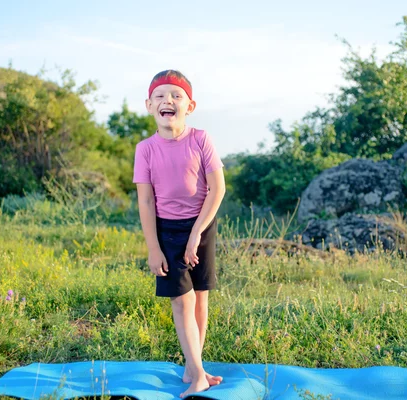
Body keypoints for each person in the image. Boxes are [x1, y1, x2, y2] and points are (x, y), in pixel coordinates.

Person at [132, 70, 226, 398]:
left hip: (202, 225)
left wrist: (197, 233)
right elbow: (145, 200)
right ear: (149, 105)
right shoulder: (145, 149)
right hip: (167, 230)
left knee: (200, 296)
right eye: (159, 96)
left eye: (175, 95)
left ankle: (192, 367)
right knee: (181, 300)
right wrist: (153, 247)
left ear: (190, 105)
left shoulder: (201, 139)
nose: (167, 100)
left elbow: (217, 189)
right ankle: (199, 373)